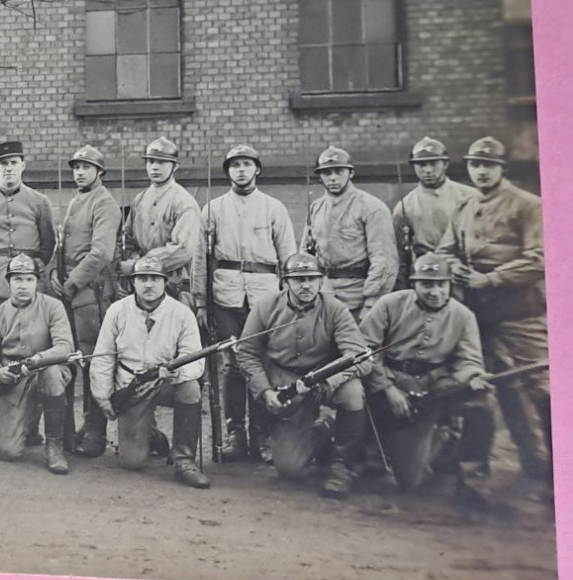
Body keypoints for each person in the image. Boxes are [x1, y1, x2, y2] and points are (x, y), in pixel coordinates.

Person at [437, 136, 550, 488]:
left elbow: (540, 259)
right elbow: (444, 250)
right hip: (479, 318)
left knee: (541, 389)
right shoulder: (464, 208)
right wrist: (452, 266)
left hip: (521, 314)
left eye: (488, 165)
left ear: (502, 168)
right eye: (475, 165)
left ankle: (551, 472)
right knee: (478, 390)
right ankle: (474, 474)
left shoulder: (528, 205)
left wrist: (492, 279)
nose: (481, 171)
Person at [359, 254, 498, 507]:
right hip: (390, 382)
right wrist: (388, 388)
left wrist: (474, 377)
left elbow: (469, 360)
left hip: (433, 387)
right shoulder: (390, 304)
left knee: (481, 400)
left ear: (449, 285)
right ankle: (366, 451)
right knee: (407, 479)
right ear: (414, 284)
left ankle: (466, 472)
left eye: (441, 284)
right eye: (427, 284)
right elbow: (363, 351)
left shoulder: (463, 316)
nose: (435, 292)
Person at [191, 143, 297, 462]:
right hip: (226, 296)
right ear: (228, 171)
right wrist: (200, 301)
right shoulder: (213, 209)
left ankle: (261, 434)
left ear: (257, 169)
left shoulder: (274, 208)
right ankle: (235, 432)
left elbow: (289, 256)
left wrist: (289, 300)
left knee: (263, 364)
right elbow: (200, 258)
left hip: (265, 296)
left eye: (247, 164)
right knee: (232, 366)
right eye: (235, 165)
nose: (241, 170)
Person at [238, 252, 371, 499]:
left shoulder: (335, 309)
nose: (306, 285)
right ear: (285, 282)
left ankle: (341, 464)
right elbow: (246, 353)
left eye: (312, 278)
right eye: (298, 280)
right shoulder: (265, 307)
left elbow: (360, 357)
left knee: (353, 393)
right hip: (285, 382)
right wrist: (265, 391)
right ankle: (322, 430)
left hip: (326, 380)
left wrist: (330, 380)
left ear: (321, 281)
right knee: (290, 469)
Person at [89, 255, 210, 488]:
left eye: (155, 279)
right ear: (132, 283)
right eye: (142, 278)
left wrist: (178, 373)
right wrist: (103, 396)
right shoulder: (117, 311)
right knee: (132, 462)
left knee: (190, 388)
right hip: (130, 384)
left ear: (165, 282)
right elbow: (102, 356)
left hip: (166, 382)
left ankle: (184, 458)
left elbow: (195, 358)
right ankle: (152, 436)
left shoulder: (182, 313)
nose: (148, 285)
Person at [55, 145, 122, 460]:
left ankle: (96, 433)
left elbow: (102, 253)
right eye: (76, 167)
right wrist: (56, 276)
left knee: (94, 360)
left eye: (86, 167)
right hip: (71, 290)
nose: (79, 172)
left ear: (99, 172)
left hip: (91, 293)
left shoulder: (105, 203)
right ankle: (80, 427)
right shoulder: (76, 201)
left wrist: (71, 281)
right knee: (72, 358)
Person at [0, 254, 76, 473]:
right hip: (14, 382)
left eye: (29, 279)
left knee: (53, 374)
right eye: (17, 279)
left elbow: (65, 346)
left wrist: (37, 360)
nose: (23, 285)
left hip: (45, 372)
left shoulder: (53, 306)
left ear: (37, 282)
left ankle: (55, 445)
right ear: (8, 282)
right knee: (9, 452)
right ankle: (28, 426)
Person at [301, 146, 398, 321]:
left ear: (350, 173)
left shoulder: (371, 207)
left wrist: (371, 302)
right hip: (322, 296)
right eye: (326, 173)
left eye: (338, 171)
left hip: (357, 296)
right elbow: (306, 255)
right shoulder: (316, 207)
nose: (332, 178)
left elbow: (384, 259)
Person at [0, 140, 56, 326]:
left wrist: (36, 265)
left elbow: (48, 243)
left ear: (23, 165)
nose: (8, 168)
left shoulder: (39, 201)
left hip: (28, 279)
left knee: (31, 334)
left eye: (13, 162)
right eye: (3, 163)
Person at [120, 137, 200, 305]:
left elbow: (183, 249)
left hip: (173, 282)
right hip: (141, 283)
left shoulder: (184, 202)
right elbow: (127, 239)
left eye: (162, 162)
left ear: (175, 166)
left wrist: (138, 264)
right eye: (150, 162)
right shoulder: (139, 199)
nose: (155, 167)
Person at [393, 137, 476, 285]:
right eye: (422, 164)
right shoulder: (405, 206)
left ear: (445, 164)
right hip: (428, 274)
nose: (428, 170)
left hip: (465, 272)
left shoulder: (470, 196)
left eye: (433, 163)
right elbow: (400, 255)